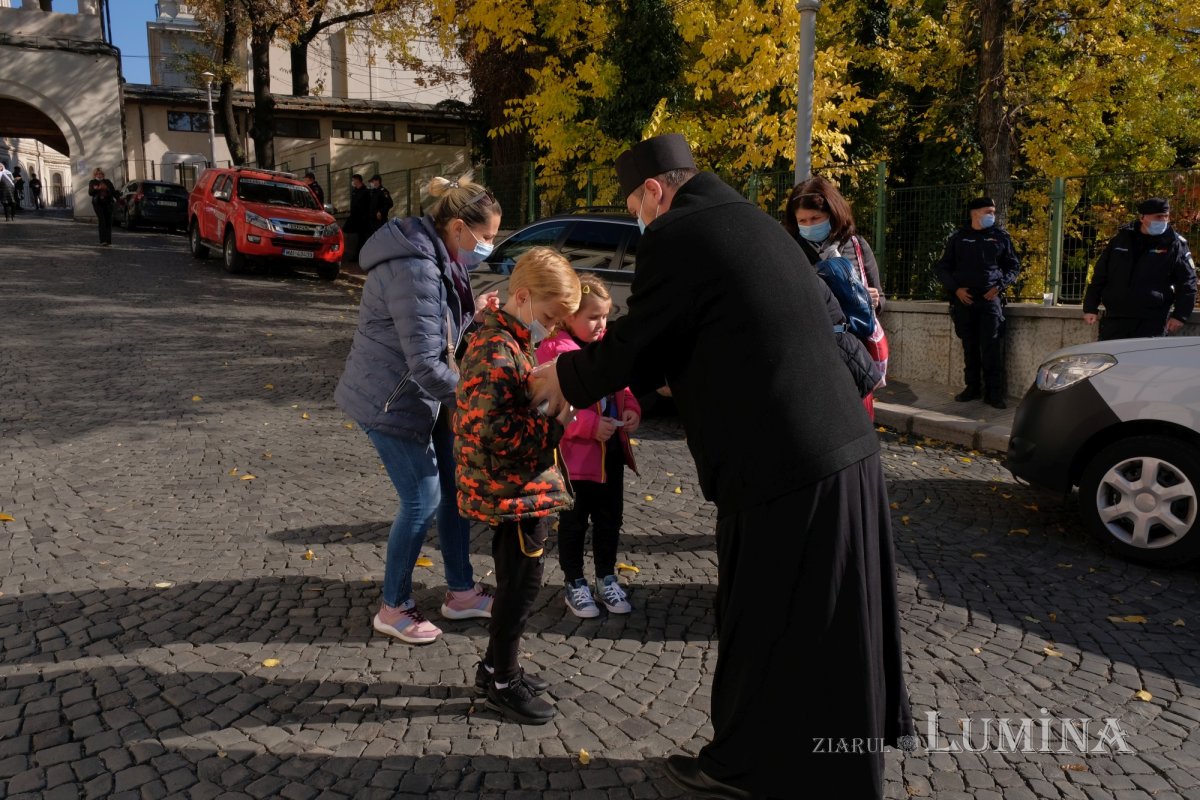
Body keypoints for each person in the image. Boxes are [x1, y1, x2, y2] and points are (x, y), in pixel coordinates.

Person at [530, 133, 913, 799]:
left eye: (635, 205)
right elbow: (706, 337)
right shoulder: (747, 220)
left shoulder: (681, 235)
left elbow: (638, 343)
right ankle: (820, 766)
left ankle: (747, 768)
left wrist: (559, 377)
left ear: (655, 190)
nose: (639, 218)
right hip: (836, 451)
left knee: (763, 628)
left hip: (785, 467)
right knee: (820, 629)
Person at [334, 172, 503, 645]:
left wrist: (474, 313)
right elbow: (428, 363)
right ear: (458, 228)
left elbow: (437, 327)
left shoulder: (439, 257)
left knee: (455, 487)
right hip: (393, 401)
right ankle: (394, 606)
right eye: (486, 237)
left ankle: (462, 593)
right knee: (422, 499)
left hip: (422, 397)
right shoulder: (418, 267)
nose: (488, 246)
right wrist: (483, 401)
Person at [453, 246, 581, 725]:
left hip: (514, 488)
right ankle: (503, 680)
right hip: (512, 491)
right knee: (519, 589)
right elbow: (494, 430)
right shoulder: (497, 348)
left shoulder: (505, 336)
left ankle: (494, 667)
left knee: (516, 582)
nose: (552, 327)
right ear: (523, 297)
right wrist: (556, 421)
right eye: (549, 316)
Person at [536, 274, 641, 618]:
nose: (601, 324)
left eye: (605, 316)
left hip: (610, 454)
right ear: (569, 318)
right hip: (576, 460)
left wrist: (630, 407)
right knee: (574, 523)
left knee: (610, 519)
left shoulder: (608, 345)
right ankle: (574, 582)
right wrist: (591, 426)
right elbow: (551, 410)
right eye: (592, 317)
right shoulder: (554, 351)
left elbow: (622, 386)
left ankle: (606, 577)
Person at [785, 175, 887, 418]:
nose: (809, 225)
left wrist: (874, 301)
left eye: (816, 218)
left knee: (856, 420)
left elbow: (881, 298)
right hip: (810, 352)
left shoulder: (857, 246)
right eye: (802, 221)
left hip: (852, 352)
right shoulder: (789, 249)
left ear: (832, 214)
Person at [933, 196, 1021, 409]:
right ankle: (972, 388)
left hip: (990, 300)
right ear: (974, 213)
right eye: (987, 212)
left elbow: (1013, 266)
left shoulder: (1000, 237)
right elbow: (942, 267)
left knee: (991, 346)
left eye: (993, 211)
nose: (992, 215)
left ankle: (994, 393)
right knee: (969, 345)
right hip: (965, 300)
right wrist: (956, 290)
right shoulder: (959, 238)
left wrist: (999, 286)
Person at [1082, 197, 1197, 341]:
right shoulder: (1121, 240)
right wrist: (1090, 308)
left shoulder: (1174, 244)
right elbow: (1100, 275)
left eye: (1165, 216)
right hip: (1115, 319)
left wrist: (1180, 315)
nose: (1162, 221)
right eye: (1158, 217)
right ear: (1142, 217)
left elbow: (1188, 282)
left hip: (1152, 321)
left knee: (1147, 363)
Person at [88, 167, 117, 246]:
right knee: (102, 221)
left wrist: (107, 189)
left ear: (103, 174)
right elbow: (90, 192)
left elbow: (113, 191)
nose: (99, 175)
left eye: (101, 173)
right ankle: (103, 240)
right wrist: (98, 189)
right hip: (98, 204)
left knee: (108, 222)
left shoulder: (107, 181)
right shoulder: (92, 182)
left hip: (108, 203)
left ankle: (108, 241)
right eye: (97, 174)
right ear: (95, 175)